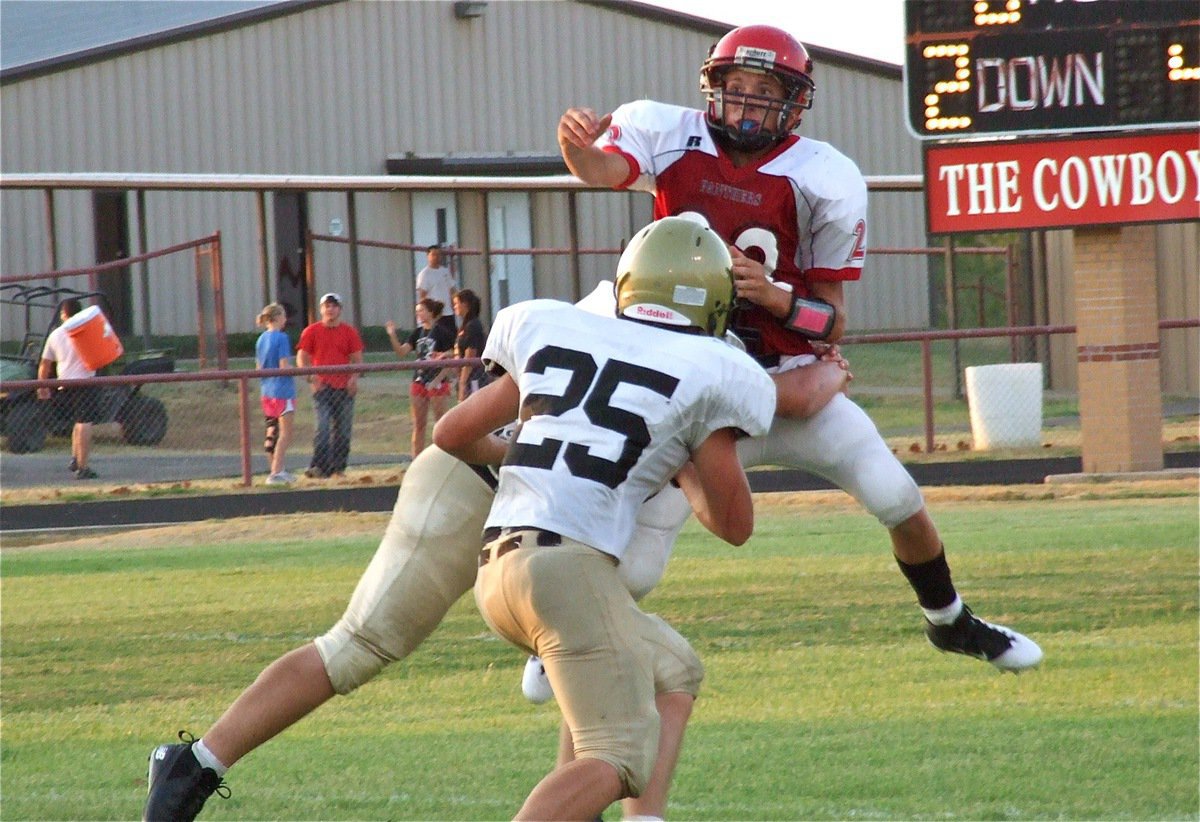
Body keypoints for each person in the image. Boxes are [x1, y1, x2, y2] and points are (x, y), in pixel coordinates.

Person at [143, 220, 832, 822]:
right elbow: (778, 413)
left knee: (663, 669)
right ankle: (196, 763)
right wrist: (529, 460)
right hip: (490, 489)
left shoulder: (590, 313)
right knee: (364, 643)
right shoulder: (702, 362)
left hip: (533, 513)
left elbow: (465, 422)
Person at [557, 24, 1042, 671]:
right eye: (737, 88)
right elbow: (603, 170)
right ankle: (571, 636)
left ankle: (949, 620)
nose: (749, 102)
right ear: (713, 89)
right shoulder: (665, 133)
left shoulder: (823, 176)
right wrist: (577, 152)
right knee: (642, 556)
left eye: (766, 91)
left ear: (793, 102)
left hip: (790, 380)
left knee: (898, 498)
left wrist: (775, 295)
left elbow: (833, 321)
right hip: (698, 394)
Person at [433, 216, 776, 819]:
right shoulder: (706, 370)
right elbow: (736, 525)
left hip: (498, 566)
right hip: (569, 568)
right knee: (616, 756)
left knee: (675, 669)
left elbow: (452, 432)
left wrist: (532, 452)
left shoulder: (561, 329)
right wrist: (680, 462)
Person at [296, 292, 363, 478]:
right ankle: (319, 466)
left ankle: (338, 468)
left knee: (343, 430)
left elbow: (357, 359)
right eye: (327, 306)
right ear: (321, 309)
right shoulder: (311, 331)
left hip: (344, 388)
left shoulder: (349, 332)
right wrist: (310, 377)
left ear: (340, 310)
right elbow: (302, 357)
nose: (330, 309)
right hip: (323, 388)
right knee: (322, 428)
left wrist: (353, 378)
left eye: (334, 306)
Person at [36, 298, 101, 480]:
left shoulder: (55, 335)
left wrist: (42, 385)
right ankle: (83, 467)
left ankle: (75, 459)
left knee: (77, 422)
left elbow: (44, 363)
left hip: (64, 384)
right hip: (85, 382)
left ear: (63, 314)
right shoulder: (87, 331)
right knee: (85, 423)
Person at [384, 298, 455, 458]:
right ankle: (416, 459)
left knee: (440, 423)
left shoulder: (442, 332)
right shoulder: (417, 333)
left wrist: (438, 379)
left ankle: (442, 457)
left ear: (430, 312)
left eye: (422, 310)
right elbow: (402, 352)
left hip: (438, 381)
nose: (419, 314)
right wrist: (392, 335)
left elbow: (453, 357)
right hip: (419, 380)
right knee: (419, 424)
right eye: (417, 312)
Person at [254, 303, 297, 485]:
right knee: (285, 433)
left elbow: (258, 367)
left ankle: (275, 468)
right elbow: (283, 366)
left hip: (267, 390)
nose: (285, 319)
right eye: (283, 315)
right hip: (282, 390)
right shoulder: (281, 338)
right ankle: (276, 471)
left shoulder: (261, 339)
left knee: (272, 430)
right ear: (277, 317)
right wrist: (296, 370)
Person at [451, 288, 489, 401]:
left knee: (476, 408)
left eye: (456, 303)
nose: (455, 307)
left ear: (465, 304)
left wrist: (463, 382)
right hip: (466, 377)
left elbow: (470, 355)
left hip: (474, 377)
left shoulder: (473, 325)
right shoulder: (465, 325)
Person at [415, 244, 457, 336]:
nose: (436, 257)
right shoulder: (424, 274)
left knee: (451, 338)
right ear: (428, 256)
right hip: (435, 315)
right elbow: (422, 296)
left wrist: (454, 305)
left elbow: (452, 290)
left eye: (438, 255)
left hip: (448, 313)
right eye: (433, 255)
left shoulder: (445, 271)